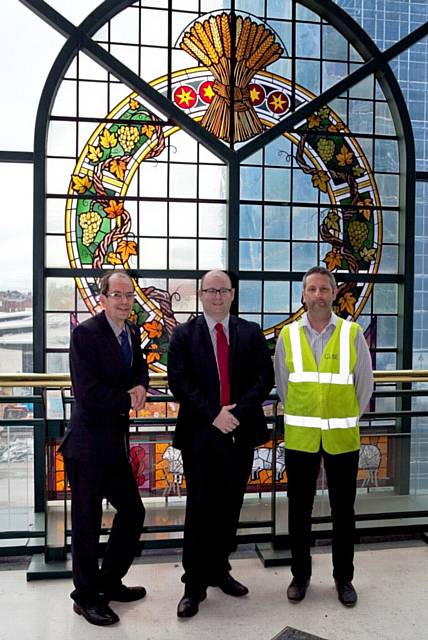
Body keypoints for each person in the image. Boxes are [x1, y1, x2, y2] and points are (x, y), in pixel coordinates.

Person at [167, 269, 274, 618]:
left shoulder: (251, 332)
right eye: (210, 290)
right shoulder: (184, 334)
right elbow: (179, 382)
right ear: (201, 294)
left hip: (240, 431)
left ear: (232, 294)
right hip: (201, 434)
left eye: (222, 290)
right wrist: (214, 414)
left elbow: (264, 379)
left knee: (230, 508)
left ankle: (219, 570)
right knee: (199, 510)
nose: (216, 296)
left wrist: (236, 413)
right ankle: (193, 585)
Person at [274, 266, 373, 608]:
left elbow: (365, 385)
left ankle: (343, 579)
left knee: (343, 512)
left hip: (342, 438)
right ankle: (300, 576)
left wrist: (346, 417)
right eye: (311, 289)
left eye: (324, 289)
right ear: (303, 295)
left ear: (334, 294)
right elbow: (283, 385)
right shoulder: (287, 336)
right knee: (298, 511)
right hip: (301, 438)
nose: (317, 295)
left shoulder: (352, 333)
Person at [59, 271, 149, 626]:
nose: (125, 301)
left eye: (130, 296)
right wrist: (127, 398)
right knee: (86, 524)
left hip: (114, 446)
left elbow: (138, 367)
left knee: (133, 512)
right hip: (86, 446)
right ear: (103, 298)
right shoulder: (86, 334)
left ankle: (109, 581)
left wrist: (141, 384)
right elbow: (87, 390)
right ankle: (85, 597)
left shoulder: (131, 332)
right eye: (118, 295)